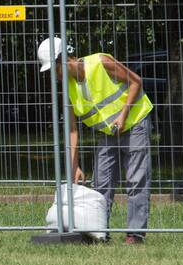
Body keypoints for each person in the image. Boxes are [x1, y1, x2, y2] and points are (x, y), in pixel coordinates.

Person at [38, 36, 153, 244]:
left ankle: (134, 234)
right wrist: (75, 167)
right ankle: (99, 233)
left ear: (64, 60)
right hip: (109, 133)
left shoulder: (101, 62)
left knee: (136, 180)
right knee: (102, 182)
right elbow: (72, 131)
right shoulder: (68, 90)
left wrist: (123, 115)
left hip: (135, 123)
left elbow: (136, 81)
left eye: (54, 70)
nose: (55, 76)